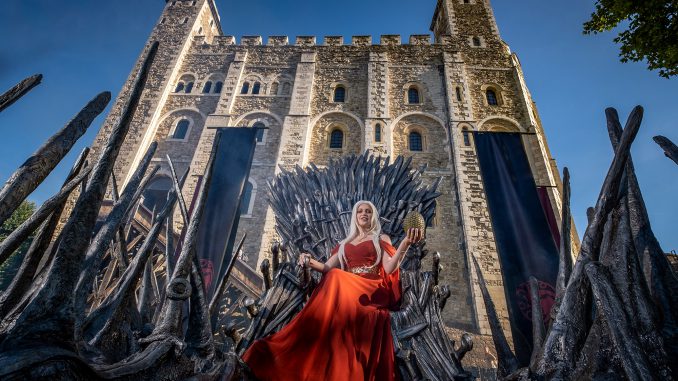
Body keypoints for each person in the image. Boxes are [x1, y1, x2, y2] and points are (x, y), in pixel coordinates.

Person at [242, 200, 423, 381]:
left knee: (336, 276)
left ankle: (315, 318)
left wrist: (405, 243)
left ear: (373, 215)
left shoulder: (381, 239)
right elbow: (327, 267)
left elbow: (390, 268)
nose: (364, 214)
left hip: (371, 288)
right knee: (335, 275)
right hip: (348, 286)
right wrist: (308, 260)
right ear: (355, 215)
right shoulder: (345, 243)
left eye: (368, 211)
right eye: (360, 211)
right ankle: (307, 331)